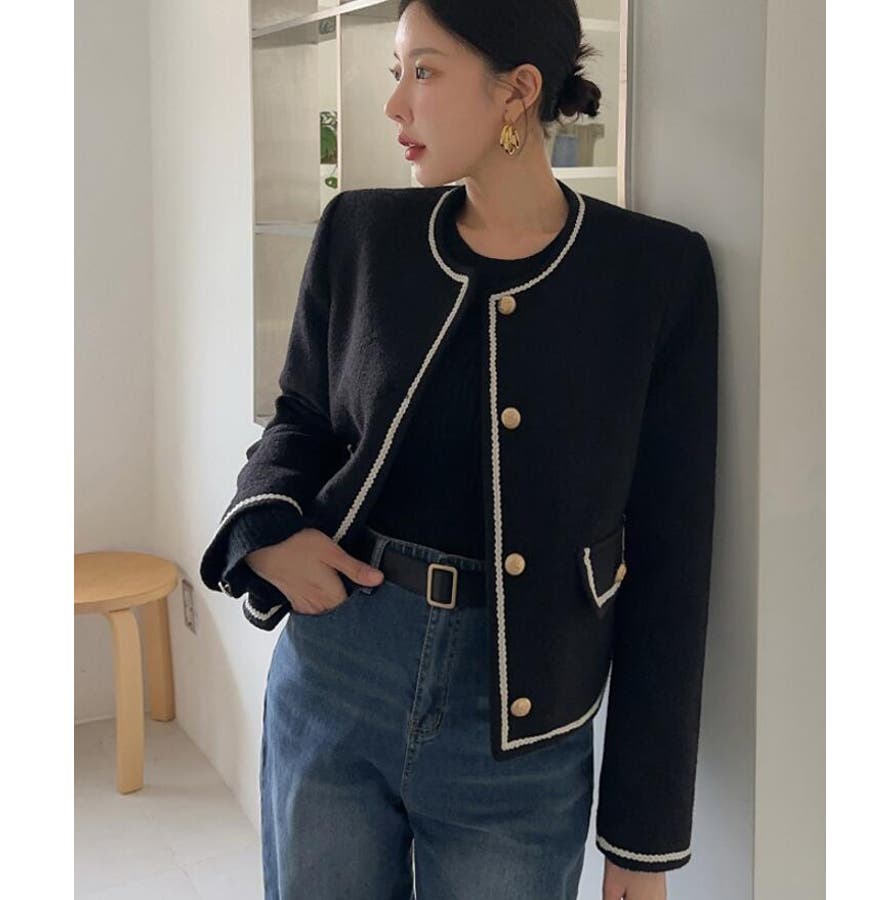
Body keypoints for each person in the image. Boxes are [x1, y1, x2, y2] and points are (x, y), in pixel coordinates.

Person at [199, 2, 719, 898]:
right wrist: (267, 534)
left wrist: (642, 838)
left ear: (517, 92)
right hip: (338, 669)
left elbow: (672, 560)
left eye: (425, 72)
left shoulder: (653, 276)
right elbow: (300, 419)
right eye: (395, 72)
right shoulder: (361, 235)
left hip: (521, 721)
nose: (395, 104)